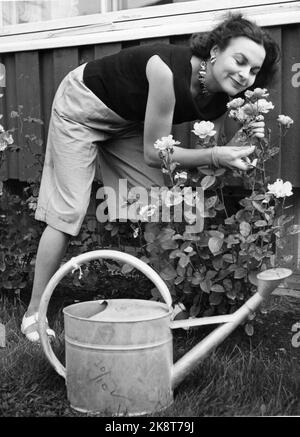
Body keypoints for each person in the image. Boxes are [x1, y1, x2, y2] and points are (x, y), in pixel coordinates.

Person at [21, 13, 280, 342]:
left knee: (161, 203)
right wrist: (215, 154)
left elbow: (204, 158)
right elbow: (156, 153)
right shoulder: (165, 71)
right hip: (81, 107)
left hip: (129, 120)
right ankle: (33, 313)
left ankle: (166, 300)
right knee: (67, 211)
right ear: (215, 52)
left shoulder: (219, 99)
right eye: (239, 61)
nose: (244, 74)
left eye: (253, 70)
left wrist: (238, 142)